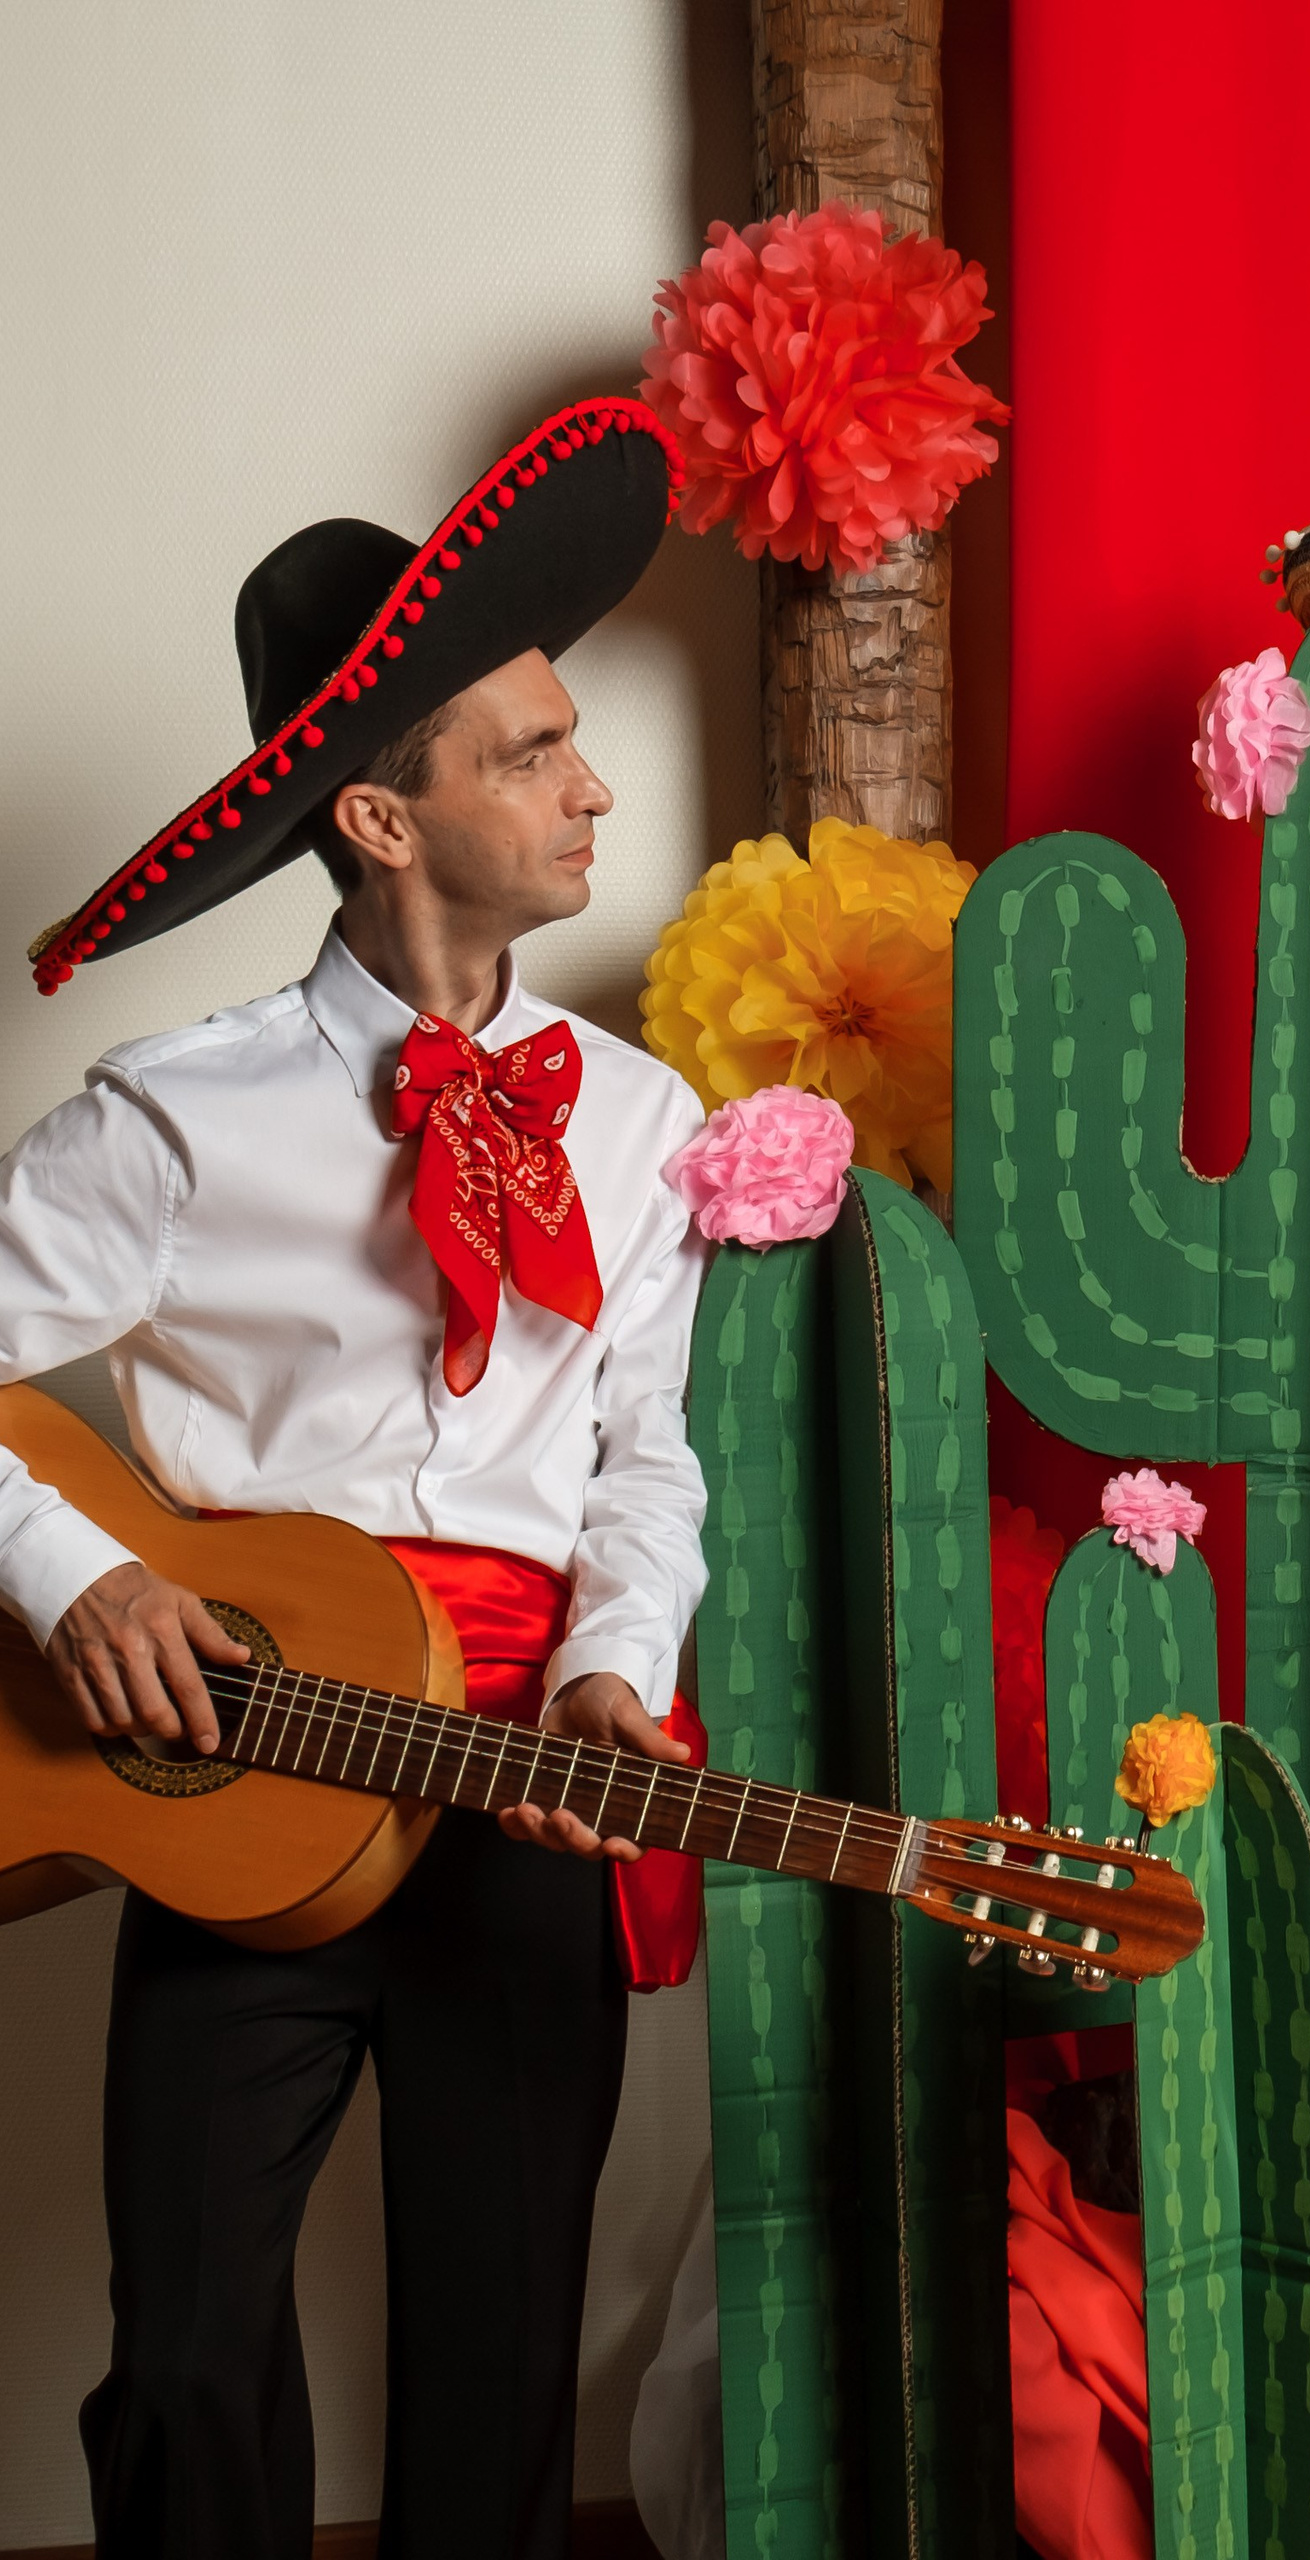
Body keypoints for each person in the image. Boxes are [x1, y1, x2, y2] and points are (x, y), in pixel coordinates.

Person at [1, 401, 712, 2560]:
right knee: (191, 2347)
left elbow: (641, 1452)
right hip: (247, 1764)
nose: (593, 784)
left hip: (523, 1774)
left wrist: (616, 1665)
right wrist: (71, 1577)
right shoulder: (177, 1112)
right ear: (380, 813)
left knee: (496, 2359)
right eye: (528, 749)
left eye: (577, 737)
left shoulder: (641, 1118)